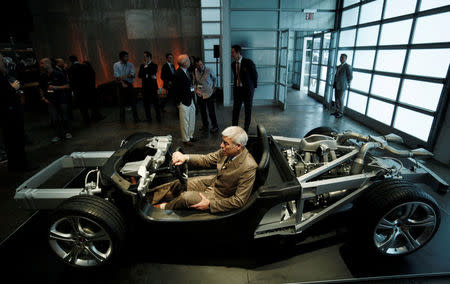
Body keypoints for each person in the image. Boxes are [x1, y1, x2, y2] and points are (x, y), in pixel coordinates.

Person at [148, 126, 258, 213]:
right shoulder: (226, 151)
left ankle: (161, 209)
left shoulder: (249, 167)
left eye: (225, 143)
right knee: (179, 184)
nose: (221, 145)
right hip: (214, 182)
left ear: (238, 146)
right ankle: (147, 198)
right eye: (222, 141)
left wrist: (210, 204)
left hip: (221, 196)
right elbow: (206, 159)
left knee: (186, 197)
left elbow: (239, 201)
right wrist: (185, 157)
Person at [0, 53, 29, 171]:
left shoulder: (4, 74)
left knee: (11, 141)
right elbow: (3, 94)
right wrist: (13, 88)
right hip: (10, 113)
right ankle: (20, 165)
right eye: (2, 60)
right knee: (15, 140)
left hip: (8, 113)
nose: (4, 62)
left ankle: (14, 165)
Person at [39, 57, 72, 142]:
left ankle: (67, 132)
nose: (41, 65)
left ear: (47, 64)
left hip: (61, 99)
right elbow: (41, 88)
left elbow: (67, 86)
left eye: (42, 63)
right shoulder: (43, 76)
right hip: (51, 101)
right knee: (54, 118)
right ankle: (57, 135)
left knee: (64, 116)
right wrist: (43, 98)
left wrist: (55, 87)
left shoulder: (58, 74)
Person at [231, 44, 258, 133]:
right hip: (238, 90)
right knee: (235, 110)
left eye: (233, 52)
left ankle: (246, 128)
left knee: (248, 110)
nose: (231, 54)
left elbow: (255, 75)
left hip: (247, 91)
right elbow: (236, 77)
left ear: (238, 52)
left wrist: (252, 88)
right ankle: (234, 128)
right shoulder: (233, 64)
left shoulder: (248, 62)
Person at [174, 54, 196, 146]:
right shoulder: (177, 73)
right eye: (188, 60)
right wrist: (178, 102)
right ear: (184, 63)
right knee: (184, 121)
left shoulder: (187, 71)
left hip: (190, 99)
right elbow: (174, 90)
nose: (190, 61)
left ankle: (190, 136)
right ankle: (185, 139)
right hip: (183, 101)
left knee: (192, 119)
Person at [113, 50, 139, 123]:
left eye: (127, 56)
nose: (127, 58)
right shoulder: (116, 65)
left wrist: (123, 77)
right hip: (120, 84)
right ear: (121, 57)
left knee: (133, 102)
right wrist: (123, 81)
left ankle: (136, 118)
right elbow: (117, 77)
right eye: (126, 56)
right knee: (121, 103)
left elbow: (132, 75)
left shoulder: (130, 64)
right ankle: (122, 120)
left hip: (129, 84)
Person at [194, 57, 218, 133]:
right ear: (196, 66)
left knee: (211, 111)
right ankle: (205, 125)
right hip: (200, 94)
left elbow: (215, 78)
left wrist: (213, 88)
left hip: (209, 94)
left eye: (201, 65)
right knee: (202, 111)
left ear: (202, 64)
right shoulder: (195, 71)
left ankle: (215, 126)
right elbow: (195, 82)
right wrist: (195, 90)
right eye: (198, 65)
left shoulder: (208, 70)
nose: (200, 67)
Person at [138, 51, 161, 122]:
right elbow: (140, 75)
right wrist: (147, 73)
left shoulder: (154, 65)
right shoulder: (142, 65)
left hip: (153, 87)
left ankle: (158, 118)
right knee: (146, 104)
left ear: (149, 57)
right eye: (144, 57)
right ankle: (148, 118)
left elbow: (152, 72)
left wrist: (146, 68)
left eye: (145, 56)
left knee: (155, 103)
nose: (144, 58)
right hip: (145, 88)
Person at [67, 55, 90, 124]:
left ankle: (86, 120)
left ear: (71, 61)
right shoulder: (84, 66)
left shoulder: (71, 69)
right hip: (85, 88)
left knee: (81, 106)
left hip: (77, 90)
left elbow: (71, 80)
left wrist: (72, 89)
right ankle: (88, 118)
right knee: (86, 104)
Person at [332, 53, 353, 118]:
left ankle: (340, 113)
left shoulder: (347, 66)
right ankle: (337, 111)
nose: (341, 59)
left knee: (341, 99)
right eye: (340, 57)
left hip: (342, 86)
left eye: (342, 58)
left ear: (345, 59)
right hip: (337, 85)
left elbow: (350, 77)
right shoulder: (338, 66)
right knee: (336, 99)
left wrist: (346, 83)